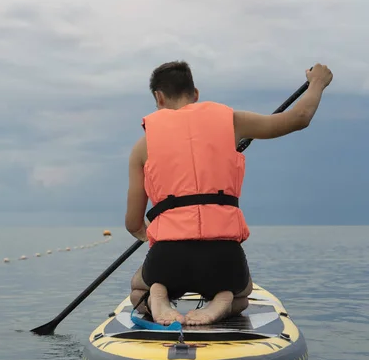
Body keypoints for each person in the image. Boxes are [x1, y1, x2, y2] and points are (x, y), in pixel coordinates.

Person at [125, 61, 333, 326]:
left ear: (159, 97)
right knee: (243, 294)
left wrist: (156, 234)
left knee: (137, 290)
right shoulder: (232, 121)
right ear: (196, 93)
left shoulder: (143, 146)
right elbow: (299, 118)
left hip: (168, 257)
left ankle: (157, 294)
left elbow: (133, 222)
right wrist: (317, 82)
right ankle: (223, 300)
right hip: (223, 256)